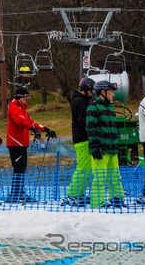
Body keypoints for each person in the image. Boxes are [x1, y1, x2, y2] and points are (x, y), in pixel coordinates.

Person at [6, 87, 57, 203]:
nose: (27, 100)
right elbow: (21, 122)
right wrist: (32, 129)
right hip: (15, 142)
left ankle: (19, 192)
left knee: (22, 167)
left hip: (22, 143)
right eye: (26, 97)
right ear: (20, 97)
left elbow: (31, 122)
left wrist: (46, 129)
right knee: (19, 168)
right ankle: (15, 193)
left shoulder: (22, 109)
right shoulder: (14, 108)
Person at [86, 80, 125, 208]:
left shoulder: (109, 107)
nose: (113, 95)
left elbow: (113, 129)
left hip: (112, 149)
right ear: (102, 92)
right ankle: (98, 203)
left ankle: (117, 199)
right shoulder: (93, 106)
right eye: (110, 92)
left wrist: (117, 147)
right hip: (101, 149)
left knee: (115, 177)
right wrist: (95, 146)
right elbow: (90, 127)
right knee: (100, 178)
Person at [63, 77, 95, 206]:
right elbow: (83, 120)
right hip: (82, 139)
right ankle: (73, 194)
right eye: (92, 90)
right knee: (83, 167)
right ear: (87, 89)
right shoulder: (79, 101)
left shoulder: (84, 100)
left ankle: (80, 193)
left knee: (87, 167)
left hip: (85, 138)